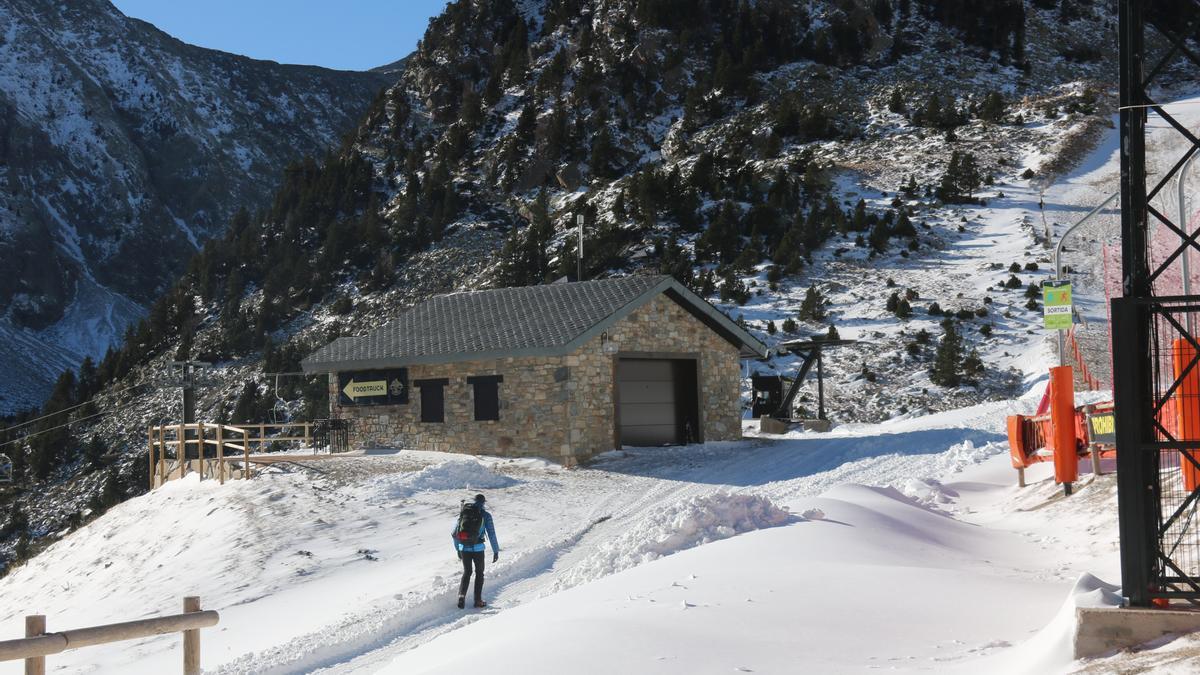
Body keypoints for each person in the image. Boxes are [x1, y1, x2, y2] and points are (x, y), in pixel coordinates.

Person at [453, 493, 499, 609]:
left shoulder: (464, 513)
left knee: (467, 572)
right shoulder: (486, 515)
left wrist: (458, 548)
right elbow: (491, 534)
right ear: (483, 503)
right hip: (478, 549)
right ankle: (478, 601)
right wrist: (495, 550)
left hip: (464, 548)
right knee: (479, 573)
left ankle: (461, 596)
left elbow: (455, 534)